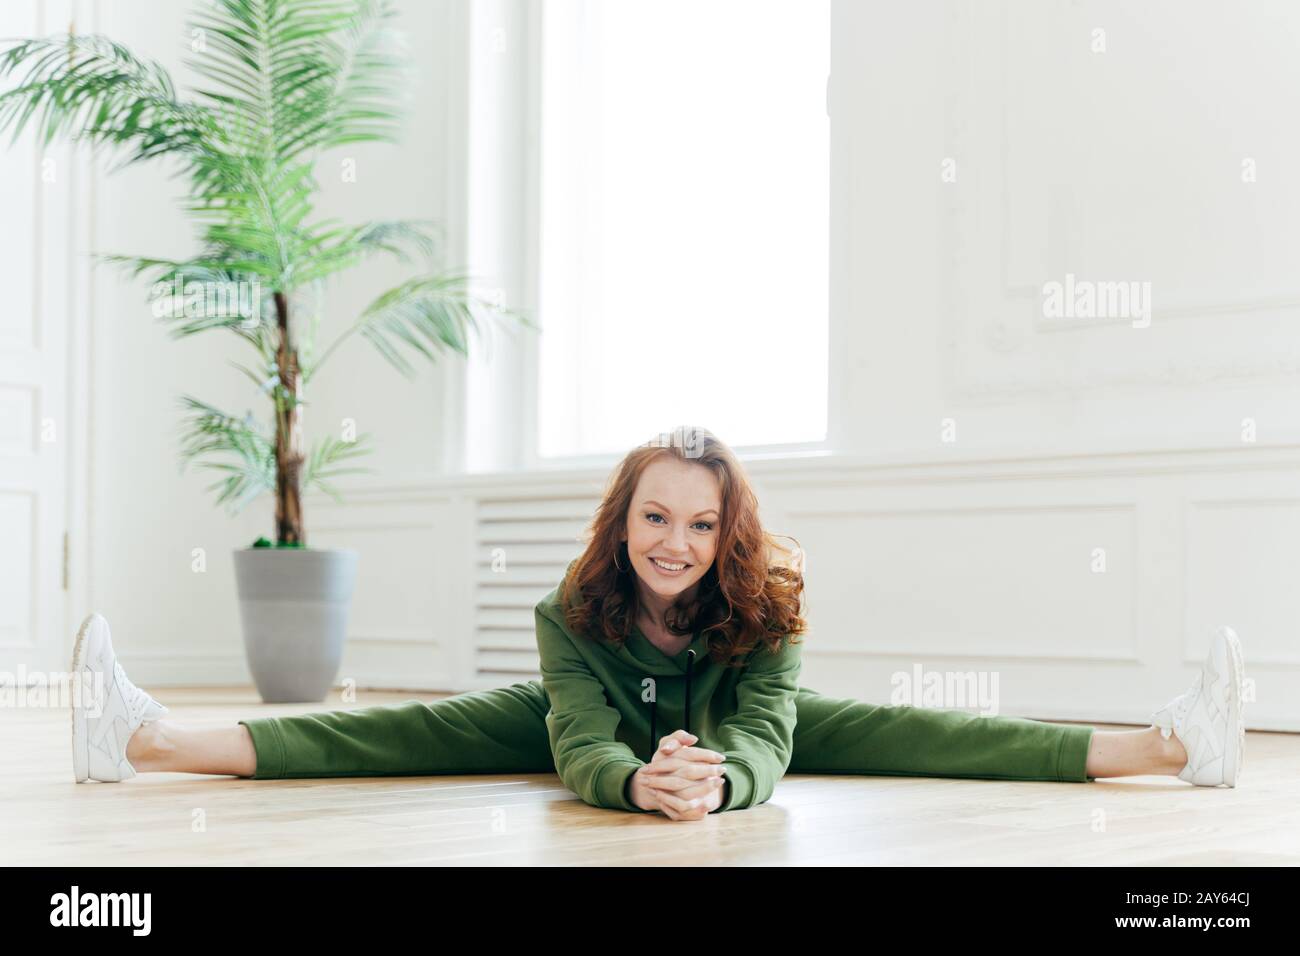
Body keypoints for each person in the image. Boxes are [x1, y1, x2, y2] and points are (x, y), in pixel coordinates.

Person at [70, 426, 1246, 821]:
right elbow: (578, 742)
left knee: (926, 728)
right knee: (388, 731)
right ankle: (144, 735)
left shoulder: (768, 607)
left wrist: (718, 779)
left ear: (726, 534)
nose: (672, 542)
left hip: (727, 721)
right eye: (653, 517)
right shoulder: (569, 610)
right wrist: (637, 785)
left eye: (697, 524)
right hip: (596, 721)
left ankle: (1170, 744)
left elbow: (772, 731)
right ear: (622, 517)